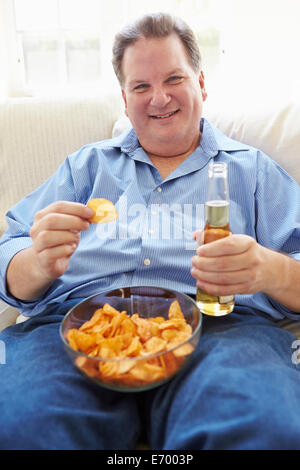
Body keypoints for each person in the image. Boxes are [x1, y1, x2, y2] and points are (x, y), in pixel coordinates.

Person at [0, 12, 300, 450]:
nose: (158, 99)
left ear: (201, 84)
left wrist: (270, 270)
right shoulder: (87, 167)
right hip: (73, 330)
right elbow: (10, 254)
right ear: (125, 101)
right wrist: (37, 262)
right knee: (23, 429)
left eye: (174, 79)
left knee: (261, 429)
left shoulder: (250, 170)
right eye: (141, 86)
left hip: (222, 333)